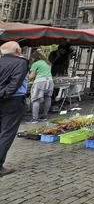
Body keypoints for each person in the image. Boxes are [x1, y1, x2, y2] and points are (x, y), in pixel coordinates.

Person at [0, 41, 29, 177]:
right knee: (7, 132)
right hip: (12, 100)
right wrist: (5, 93)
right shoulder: (20, 63)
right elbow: (15, 82)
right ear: (18, 50)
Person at [26, 50, 54, 123]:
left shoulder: (36, 64)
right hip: (50, 81)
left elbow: (31, 76)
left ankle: (35, 118)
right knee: (48, 98)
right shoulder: (48, 63)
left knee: (35, 99)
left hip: (40, 82)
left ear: (34, 58)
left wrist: (27, 77)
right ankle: (44, 116)